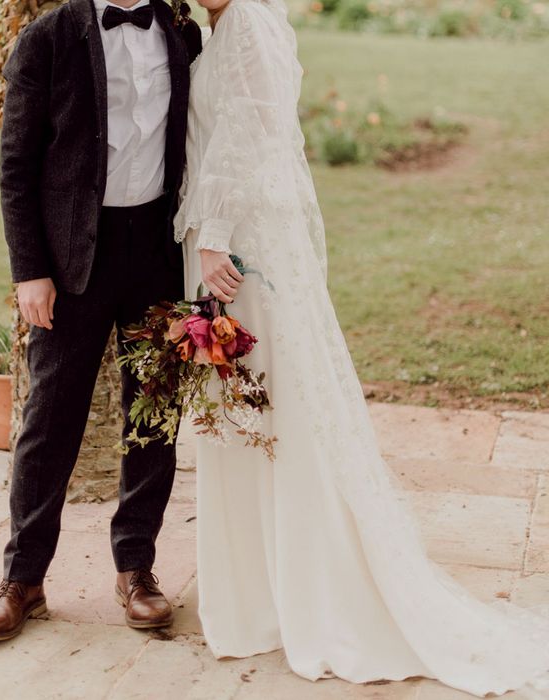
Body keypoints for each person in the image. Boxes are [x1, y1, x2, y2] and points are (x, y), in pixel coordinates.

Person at [175, 0, 549, 695]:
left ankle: (307, 589)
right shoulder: (210, 25)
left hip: (238, 245)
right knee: (240, 408)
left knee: (273, 405)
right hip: (217, 240)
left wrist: (216, 234)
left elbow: (250, 128)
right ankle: (258, 590)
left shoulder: (252, 21)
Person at [0, 0, 201, 642]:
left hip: (158, 253)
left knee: (153, 417)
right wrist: (29, 271)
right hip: (72, 260)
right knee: (48, 421)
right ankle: (24, 579)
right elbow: (16, 166)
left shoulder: (181, 35)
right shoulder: (48, 37)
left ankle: (137, 570)